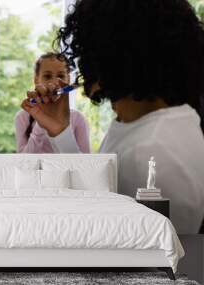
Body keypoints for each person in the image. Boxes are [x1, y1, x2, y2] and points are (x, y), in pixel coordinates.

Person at [22, 0, 204, 233]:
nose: (81, 63)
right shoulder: (155, 122)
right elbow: (100, 193)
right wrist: (60, 130)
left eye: (86, 51)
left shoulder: (151, 151)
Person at [16, 52, 90, 153]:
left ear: (68, 80)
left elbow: (87, 163)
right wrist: (41, 123)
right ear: (36, 79)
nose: (54, 83)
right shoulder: (22, 117)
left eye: (61, 76)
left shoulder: (78, 119)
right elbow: (22, 162)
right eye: (47, 76)